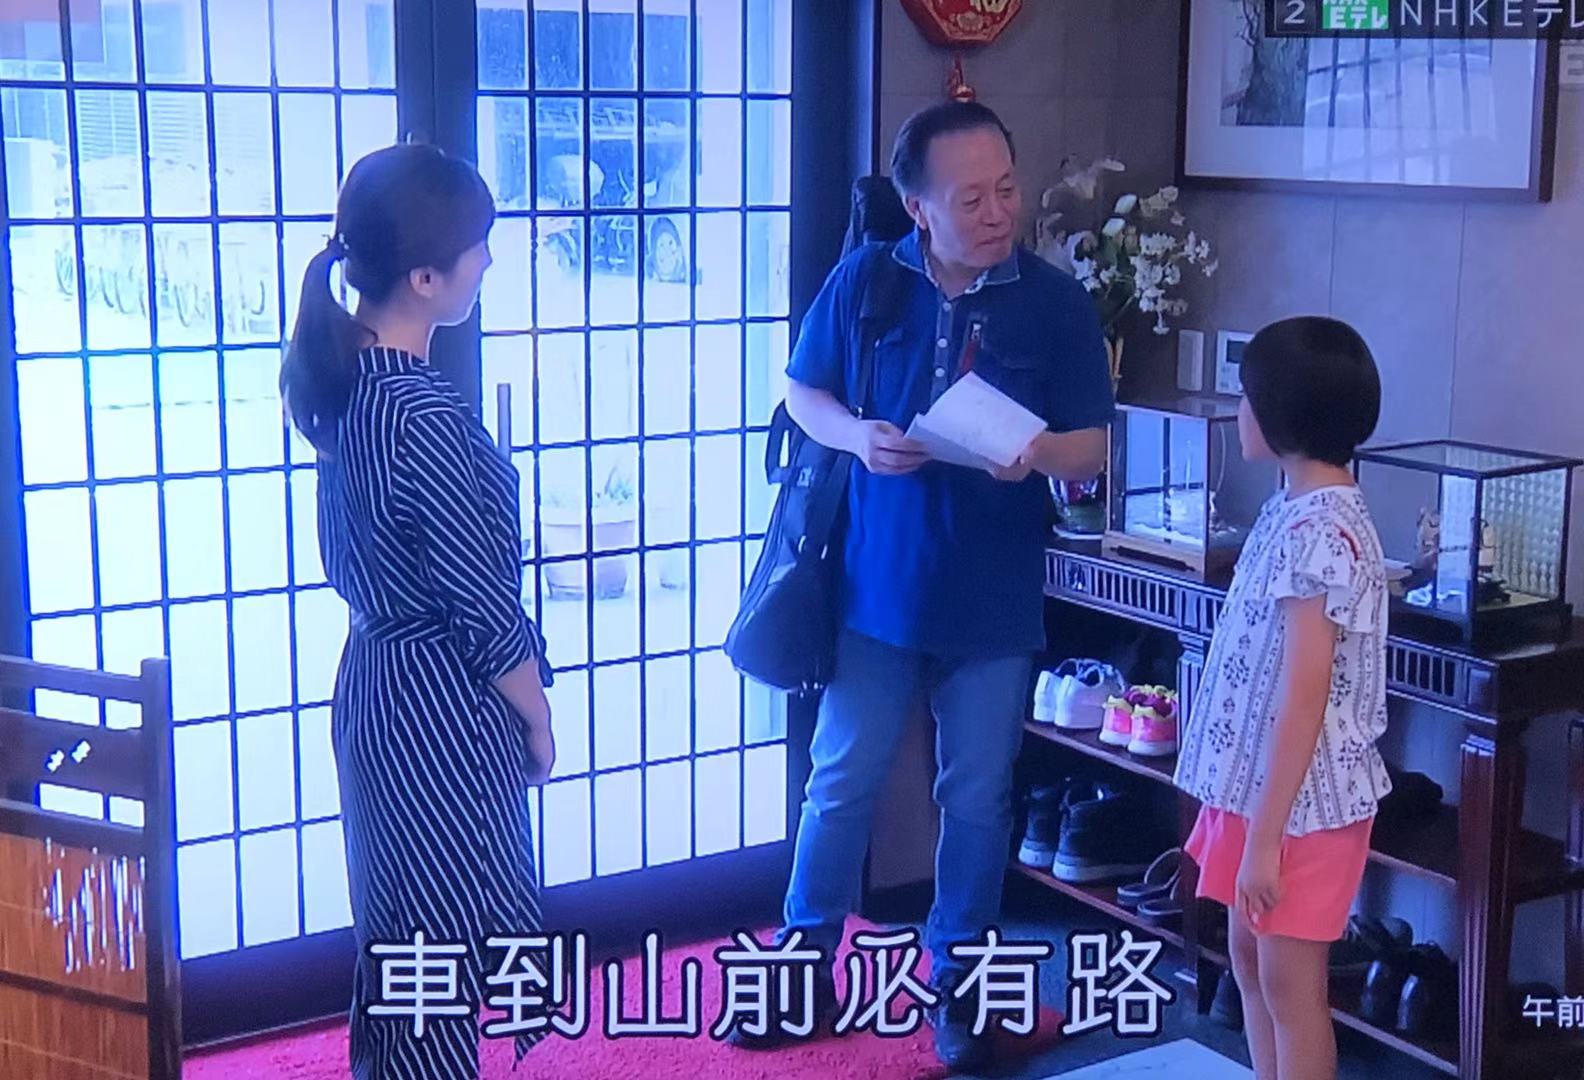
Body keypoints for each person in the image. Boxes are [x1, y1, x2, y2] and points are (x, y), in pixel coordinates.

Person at [730, 102, 1113, 1070]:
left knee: (978, 796)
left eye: (1007, 190)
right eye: (971, 199)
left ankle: (963, 985)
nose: (997, 213)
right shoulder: (868, 279)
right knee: (838, 783)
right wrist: (857, 437)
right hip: (875, 592)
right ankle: (803, 967)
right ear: (917, 207)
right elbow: (804, 391)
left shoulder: (1056, 302)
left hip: (994, 600)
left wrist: (1036, 454)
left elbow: (1093, 445)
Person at [279, 143, 556, 1080]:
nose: (490, 259)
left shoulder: (343, 381)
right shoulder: (420, 412)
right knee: (439, 939)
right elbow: (481, 604)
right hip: (440, 702)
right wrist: (538, 716)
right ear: (427, 278)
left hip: (377, 687)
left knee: (399, 933)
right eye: (478, 245)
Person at [1173, 316, 1392, 1080]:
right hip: (1258, 788)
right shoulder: (1293, 509)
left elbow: (1305, 694)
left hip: (1304, 803)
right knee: (1249, 957)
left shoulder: (1324, 532)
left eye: (1246, 397)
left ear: (1281, 416)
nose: (1239, 411)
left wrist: (1265, 841)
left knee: (1290, 985)